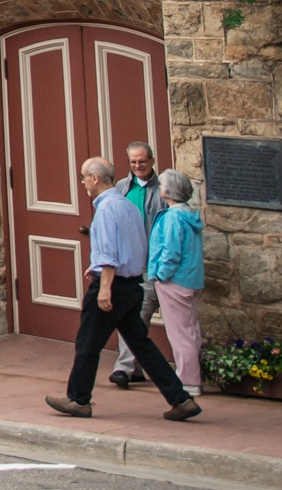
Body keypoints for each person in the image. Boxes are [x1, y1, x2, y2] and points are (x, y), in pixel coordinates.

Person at [46, 157, 198, 421]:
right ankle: (180, 398)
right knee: (142, 345)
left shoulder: (106, 209)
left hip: (113, 286)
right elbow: (135, 248)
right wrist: (100, 270)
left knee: (88, 342)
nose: (82, 182)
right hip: (132, 285)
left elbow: (108, 253)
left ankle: (79, 399)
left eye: (83, 177)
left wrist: (104, 285)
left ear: (95, 178)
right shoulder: (127, 206)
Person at [108, 140, 167, 391]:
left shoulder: (163, 188)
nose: (137, 166)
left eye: (142, 162)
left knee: (138, 314)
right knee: (132, 315)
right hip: (129, 262)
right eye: (133, 162)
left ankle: (125, 367)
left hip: (153, 263)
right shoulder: (121, 187)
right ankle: (130, 368)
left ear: (152, 161)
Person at [147, 169, 205, 391]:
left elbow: (171, 251)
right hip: (191, 280)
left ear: (169, 191)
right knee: (190, 330)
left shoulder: (173, 217)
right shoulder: (188, 214)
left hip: (176, 281)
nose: (160, 188)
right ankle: (192, 375)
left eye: (162, 185)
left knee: (180, 334)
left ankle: (188, 381)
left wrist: (161, 274)